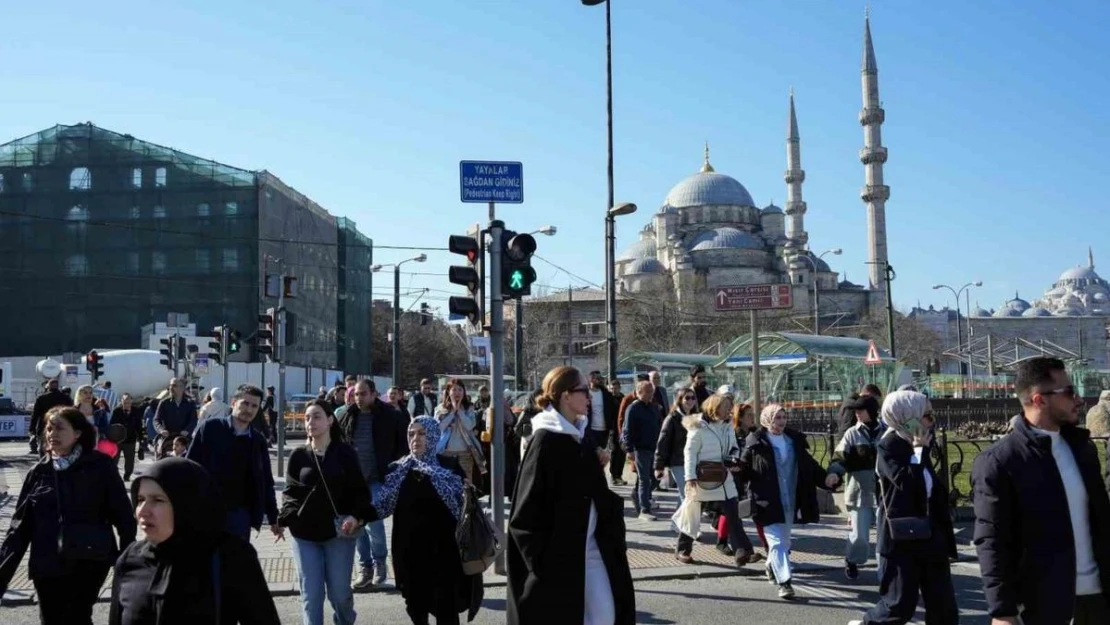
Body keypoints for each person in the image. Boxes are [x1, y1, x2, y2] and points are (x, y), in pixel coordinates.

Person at [970, 357, 1110, 625]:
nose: (1078, 399)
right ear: (1039, 400)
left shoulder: (1082, 449)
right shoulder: (1000, 462)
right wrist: (1002, 611)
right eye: (1069, 392)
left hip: (1099, 600)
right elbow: (992, 541)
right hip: (1045, 605)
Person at [507, 366, 635, 625]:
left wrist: (595, 466)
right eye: (584, 391)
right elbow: (525, 513)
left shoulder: (579, 434)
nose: (589, 397)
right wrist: (543, 565)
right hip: (560, 557)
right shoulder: (545, 440)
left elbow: (587, 490)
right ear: (566, 395)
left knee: (606, 615)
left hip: (593, 548)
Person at [0, 406, 136, 625]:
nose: (52, 434)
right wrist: (3, 574)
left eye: (59, 428)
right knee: (51, 619)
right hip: (47, 564)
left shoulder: (100, 466)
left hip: (90, 560)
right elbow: (19, 528)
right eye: (49, 428)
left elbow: (123, 514)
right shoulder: (39, 472)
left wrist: (128, 559)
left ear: (78, 433)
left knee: (77, 617)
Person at [108, 457, 280, 625]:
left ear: (186, 504)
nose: (143, 511)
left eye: (158, 500)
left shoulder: (229, 556)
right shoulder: (130, 560)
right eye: (140, 500)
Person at [848, 390, 958, 625]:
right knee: (899, 605)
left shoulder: (920, 438)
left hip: (931, 532)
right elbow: (905, 483)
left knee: (943, 604)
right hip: (902, 536)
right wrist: (918, 451)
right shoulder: (889, 445)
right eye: (925, 414)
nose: (931, 420)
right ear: (906, 415)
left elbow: (928, 485)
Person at [376, 416, 483, 624]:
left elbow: (465, 505)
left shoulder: (450, 466)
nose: (416, 438)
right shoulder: (397, 470)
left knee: (446, 611)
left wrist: (468, 491)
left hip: (444, 554)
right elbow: (381, 506)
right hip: (409, 554)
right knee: (416, 609)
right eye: (411, 433)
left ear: (433, 435)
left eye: (422, 433)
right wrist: (356, 517)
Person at [281, 400, 377, 625]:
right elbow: (290, 492)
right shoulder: (298, 455)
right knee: (311, 596)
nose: (310, 422)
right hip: (304, 535)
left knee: (339, 594)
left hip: (338, 533)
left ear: (330, 420)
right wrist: (285, 517)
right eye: (307, 418)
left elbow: (361, 493)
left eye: (316, 417)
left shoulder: (345, 453)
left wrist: (355, 516)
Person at [740, 403, 833, 600]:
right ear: (767, 420)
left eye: (783, 417)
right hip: (766, 499)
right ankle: (785, 583)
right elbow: (744, 469)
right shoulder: (755, 442)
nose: (781, 422)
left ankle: (770, 565)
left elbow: (809, 465)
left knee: (784, 541)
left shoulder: (793, 440)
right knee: (777, 542)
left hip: (791, 497)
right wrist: (733, 473)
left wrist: (825, 479)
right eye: (776, 418)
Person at [186, 385, 283, 543]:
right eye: (245, 403)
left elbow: (266, 481)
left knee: (235, 564)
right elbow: (190, 468)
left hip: (239, 516)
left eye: (254, 406)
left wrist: (273, 517)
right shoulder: (211, 429)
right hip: (207, 511)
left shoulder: (257, 441)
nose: (249, 409)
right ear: (233, 402)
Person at [339, 379, 408, 590]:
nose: (359, 398)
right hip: (354, 483)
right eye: (356, 394)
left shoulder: (389, 415)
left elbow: (402, 444)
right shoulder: (347, 415)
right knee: (357, 526)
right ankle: (365, 567)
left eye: (363, 394)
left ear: (373, 394)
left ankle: (380, 562)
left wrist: (394, 467)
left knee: (375, 525)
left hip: (378, 478)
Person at [675, 391, 753, 567]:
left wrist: (733, 458)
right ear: (714, 409)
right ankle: (683, 549)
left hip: (724, 476)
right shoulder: (698, 427)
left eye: (730, 408)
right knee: (692, 513)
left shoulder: (727, 427)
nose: (730, 412)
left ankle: (742, 551)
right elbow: (690, 453)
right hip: (702, 478)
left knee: (733, 512)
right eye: (726, 408)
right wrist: (689, 477)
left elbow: (734, 448)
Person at [826, 394, 885, 581]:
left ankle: (886, 572)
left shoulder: (887, 431)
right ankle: (852, 559)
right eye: (856, 410)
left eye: (861, 410)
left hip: (885, 492)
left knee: (886, 537)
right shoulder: (852, 433)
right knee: (859, 536)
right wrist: (834, 473)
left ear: (872, 411)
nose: (857, 414)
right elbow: (839, 456)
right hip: (859, 492)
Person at [434, 378, 486, 486]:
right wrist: (453, 411)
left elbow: (470, 425)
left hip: (465, 452)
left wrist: (460, 411)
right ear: (449, 392)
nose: (457, 393)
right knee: (447, 484)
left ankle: (468, 503)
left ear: (464, 392)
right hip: (446, 453)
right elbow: (439, 427)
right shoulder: (440, 408)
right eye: (454, 390)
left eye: (460, 390)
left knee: (466, 485)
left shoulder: (469, 408)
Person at [624, 379, 663, 521]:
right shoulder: (633, 408)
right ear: (639, 392)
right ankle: (644, 509)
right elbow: (627, 430)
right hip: (640, 448)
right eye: (647, 392)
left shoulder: (653, 408)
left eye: (652, 392)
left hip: (654, 448)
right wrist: (629, 449)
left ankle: (638, 495)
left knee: (655, 479)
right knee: (644, 479)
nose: (650, 394)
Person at [655, 387, 697, 507]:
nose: (690, 401)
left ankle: (676, 525)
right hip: (677, 461)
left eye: (693, 398)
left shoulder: (696, 418)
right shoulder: (672, 418)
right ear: (680, 400)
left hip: (692, 461)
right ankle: (685, 524)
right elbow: (662, 443)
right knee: (686, 494)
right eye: (687, 398)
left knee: (685, 495)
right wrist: (659, 466)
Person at [585, 371, 621, 478]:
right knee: (593, 454)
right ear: (590, 379)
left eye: (599, 378)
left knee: (602, 456)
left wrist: (613, 427)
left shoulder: (606, 394)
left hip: (604, 430)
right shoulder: (585, 394)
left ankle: (599, 476)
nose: (598, 380)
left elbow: (614, 411)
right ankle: (595, 476)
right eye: (596, 378)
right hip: (590, 429)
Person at [154, 378, 197, 459]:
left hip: (184, 437)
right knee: (160, 454)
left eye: (174, 385)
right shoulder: (164, 403)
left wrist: (187, 430)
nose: (171, 388)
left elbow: (194, 420)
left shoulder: (190, 403)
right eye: (170, 385)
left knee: (192, 456)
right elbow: (156, 420)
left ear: (182, 388)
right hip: (167, 436)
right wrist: (161, 430)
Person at [29, 377, 73, 454]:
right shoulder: (65, 398)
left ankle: (44, 462)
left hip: (44, 425)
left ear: (48, 386)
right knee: (59, 446)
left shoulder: (41, 398)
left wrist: (32, 429)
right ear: (57, 386)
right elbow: (71, 412)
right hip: (61, 425)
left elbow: (35, 414)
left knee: (44, 447)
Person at [111, 393, 146, 481]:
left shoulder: (136, 411)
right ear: (122, 402)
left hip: (130, 440)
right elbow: (112, 425)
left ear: (131, 402)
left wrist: (141, 438)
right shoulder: (117, 411)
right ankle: (113, 476)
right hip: (118, 440)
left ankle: (127, 476)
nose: (126, 404)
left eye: (128, 402)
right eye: (125, 402)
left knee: (130, 460)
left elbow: (139, 425)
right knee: (114, 459)